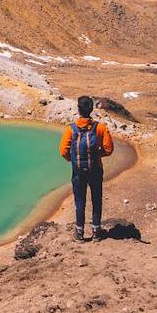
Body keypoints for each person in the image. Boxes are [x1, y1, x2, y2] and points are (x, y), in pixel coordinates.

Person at [60, 95, 114, 241]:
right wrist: (96, 155)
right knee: (97, 199)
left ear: (78, 110)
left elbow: (63, 151)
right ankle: (96, 231)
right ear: (91, 109)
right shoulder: (101, 128)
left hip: (78, 171)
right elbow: (109, 149)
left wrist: (74, 160)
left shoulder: (71, 129)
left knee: (80, 202)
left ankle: (79, 233)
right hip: (95, 170)